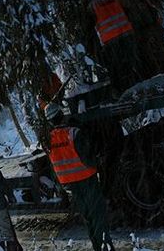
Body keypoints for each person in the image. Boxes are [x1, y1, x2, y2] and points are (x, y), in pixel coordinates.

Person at [44, 103, 114, 251]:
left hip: (71, 185)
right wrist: (100, 163)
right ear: (62, 115)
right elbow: (88, 158)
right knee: (98, 217)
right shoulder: (74, 133)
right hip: (87, 180)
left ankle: (98, 248)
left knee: (88, 218)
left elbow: (53, 165)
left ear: (50, 121)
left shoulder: (48, 140)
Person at [90, 0, 140, 92]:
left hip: (111, 40)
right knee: (132, 62)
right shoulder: (114, 0)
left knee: (117, 67)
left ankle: (122, 90)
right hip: (127, 34)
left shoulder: (94, 7)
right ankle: (137, 83)